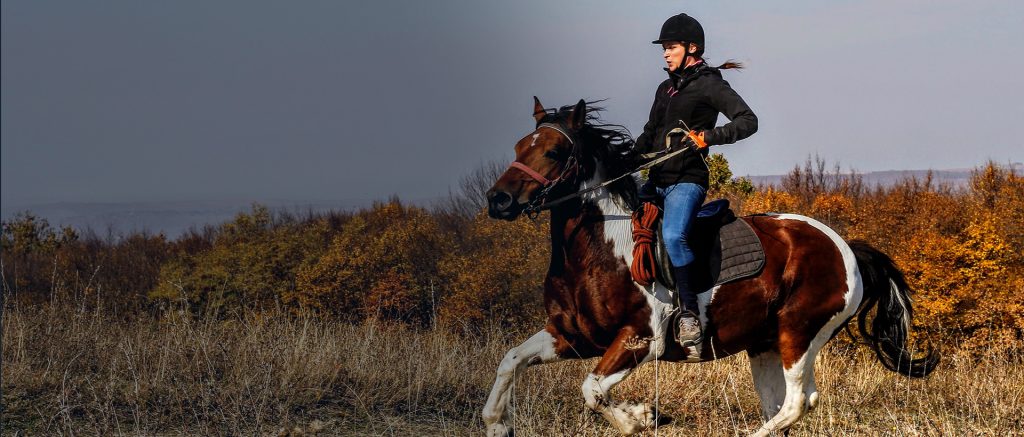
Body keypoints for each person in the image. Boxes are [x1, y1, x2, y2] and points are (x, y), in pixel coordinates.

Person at [632, 13, 758, 347]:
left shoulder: (710, 84)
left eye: (670, 47)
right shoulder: (666, 88)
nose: (664, 53)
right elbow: (650, 133)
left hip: (686, 180)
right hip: (655, 178)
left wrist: (709, 136)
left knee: (673, 236)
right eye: (664, 48)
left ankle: (690, 313)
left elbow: (749, 121)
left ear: (691, 48)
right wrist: (628, 157)